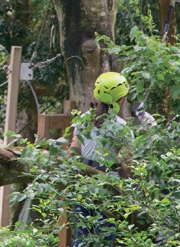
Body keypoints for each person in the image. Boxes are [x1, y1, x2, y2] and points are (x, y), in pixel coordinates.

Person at [69, 72, 135, 247]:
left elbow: (72, 153)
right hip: (108, 186)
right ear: (121, 100)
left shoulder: (83, 120)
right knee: (105, 237)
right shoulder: (122, 128)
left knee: (82, 236)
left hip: (84, 183)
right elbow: (127, 165)